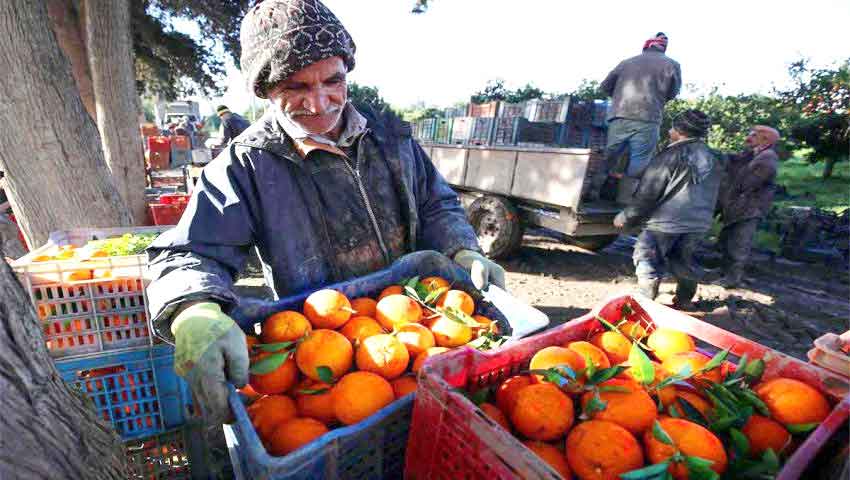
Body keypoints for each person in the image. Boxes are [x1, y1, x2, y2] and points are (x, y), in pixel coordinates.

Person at [145, 0, 505, 425]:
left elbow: (435, 203)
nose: (318, 104)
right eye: (295, 88)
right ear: (265, 91)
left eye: (332, 81)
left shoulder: (390, 137)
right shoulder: (246, 164)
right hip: (320, 351)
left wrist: (463, 250)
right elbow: (193, 251)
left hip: (417, 330)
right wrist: (194, 308)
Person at [613, 110, 721, 308]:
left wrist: (626, 216)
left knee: (646, 258)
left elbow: (649, 193)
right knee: (682, 260)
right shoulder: (715, 157)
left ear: (679, 131)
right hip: (699, 223)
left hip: (665, 223)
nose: (670, 130)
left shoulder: (670, 155)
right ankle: (684, 300)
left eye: (672, 127)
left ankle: (645, 302)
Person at [599, 32, 682, 194]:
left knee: (609, 157)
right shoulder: (672, 65)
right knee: (640, 162)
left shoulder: (626, 63)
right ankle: (624, 201)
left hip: (620, 116)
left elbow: (605, 86)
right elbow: (672, 93)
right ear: (664, 48)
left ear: (647, 45)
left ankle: (592, 191)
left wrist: (619, 98)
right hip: (648, 118)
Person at [715, 126, 780, 287]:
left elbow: (747, 184)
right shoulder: (753, 154)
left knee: (739, 244)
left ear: (765, 140)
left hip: (749, 209)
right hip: (740, 207)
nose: (748, 138)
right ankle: (725, 273)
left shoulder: (767, 158)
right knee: (727, 240)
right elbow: (733, 160)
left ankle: (732, 279)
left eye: (753, 135)